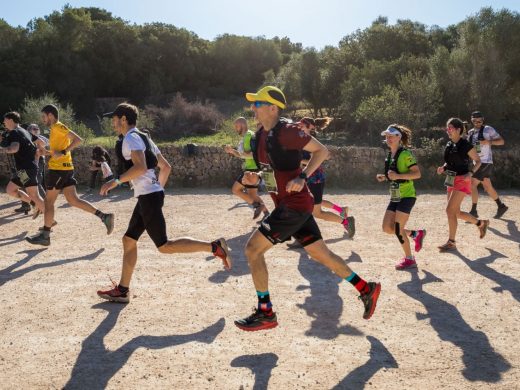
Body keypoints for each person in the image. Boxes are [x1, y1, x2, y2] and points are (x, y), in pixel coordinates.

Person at [234, 86, 381, 331]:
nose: (253, 108)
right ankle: (366, 288)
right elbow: (271, 170)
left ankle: (265, 312)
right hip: (291, 205)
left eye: (258, 104)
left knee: (252, 250)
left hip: (295, 205)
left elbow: (322, 151)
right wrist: (255, 178)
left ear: (272, 107)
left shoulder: (289, 130)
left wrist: (303, 176)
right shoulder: (261, 135)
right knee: (322, 255)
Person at [96, 103, 232, 303]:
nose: (113, 123)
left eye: (115, 119)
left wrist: (115, 181)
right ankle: (123, 290)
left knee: (164, 246)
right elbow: (165, 167)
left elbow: (141, 167)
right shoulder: (145, 138)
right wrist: (157, 188)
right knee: (129, 240)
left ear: (124, 119)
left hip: (148, 197)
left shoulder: (130, 139)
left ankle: (214, 247)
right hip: (149, 195)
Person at [26, 104, 114, 246]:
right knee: (73, 200)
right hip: (65, 169)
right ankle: (104, 217)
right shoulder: (55, 130)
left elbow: (78, 139)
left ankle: (45, 235)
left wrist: (65, 152)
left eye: (43, 116)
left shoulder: (58, 127)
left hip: (58, 170)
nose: (42, 120)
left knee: (48, 202)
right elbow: (58, 152)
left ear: (50, 115)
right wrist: (47, 152)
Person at [375, 125, 425, 270]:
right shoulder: (390, 155)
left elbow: (417, 174)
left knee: (397, 228)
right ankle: (415, 234)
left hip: (407, 196)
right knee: (387, 228)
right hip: (395, 196)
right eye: (386, 136)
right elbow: (394, 175)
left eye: (391, 136)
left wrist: (397, 176)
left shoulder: (406, 154)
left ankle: (410, 259)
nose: (388, 138)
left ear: (399, 137)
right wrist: (385, 177)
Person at [436, 118, 489, 252]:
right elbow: (448, 162)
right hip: (450, 178)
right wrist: (443, 167)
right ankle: (481, 223)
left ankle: (451, 242)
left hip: (462, 179)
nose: (448, 130)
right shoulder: (449, 144)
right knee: (456, 212)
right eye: (447, 128)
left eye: (450, 128)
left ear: (458, 130)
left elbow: (478, 161)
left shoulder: (465, 145)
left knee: (449, 210)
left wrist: (470, 173)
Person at [298, 117, 355, 238]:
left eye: (302, 125)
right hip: (307, 178)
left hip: (315, 178)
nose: (299, 126)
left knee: (317, 212)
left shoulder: (312, 141)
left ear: (310, 127)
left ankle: (345, 221)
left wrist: (298, 160)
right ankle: (341, 210)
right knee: (311, 203)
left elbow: (324, 156)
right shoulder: (301, 140)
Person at [0, 112, 45, 218]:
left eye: (5, 120)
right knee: (11, 190)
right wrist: (38, 151)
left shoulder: (14, 133)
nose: (3, 122)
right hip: (23, 170)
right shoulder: (24, 131)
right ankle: (35, 205)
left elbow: (14, 148)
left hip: (27, 168)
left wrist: (3, 148)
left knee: (35, 195)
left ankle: (50, 220)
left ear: (10, 120)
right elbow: (42, 142)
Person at [467, 111, 508, 219]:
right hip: (477, 163)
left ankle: (473, 211)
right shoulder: (470, 132)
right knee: (487, 187)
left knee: (472, 184)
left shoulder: (488, 129)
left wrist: (489, 142)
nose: (477, 122)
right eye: (475, 120)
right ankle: (501, 206)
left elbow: (501, 141)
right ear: (472, 120)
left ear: (483, 119)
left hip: (486, 161)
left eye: (480, 120)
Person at [224, 117, 268, 219]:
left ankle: (258, 206)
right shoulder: (245, 137)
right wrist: (232, 151)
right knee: (252, 195)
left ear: (242, 125)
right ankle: (266, 214)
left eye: (236, 126)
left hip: (253, 169)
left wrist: (237, 153)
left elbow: (253, 155)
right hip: (251, 168)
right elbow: (242, 155)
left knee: (235, 189)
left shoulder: (249, 136)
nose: (235, 129)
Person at [27, 123, 48, 198]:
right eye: (34, 129)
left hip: (39, 160)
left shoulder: (41, 138)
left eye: (37, 129)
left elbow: (47, 144)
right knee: (24, 181)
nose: (36, 130)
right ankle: (25, 204)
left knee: (37, 181)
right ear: (29, 130)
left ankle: (46, 203)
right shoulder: (26, 137)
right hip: (27, 162)